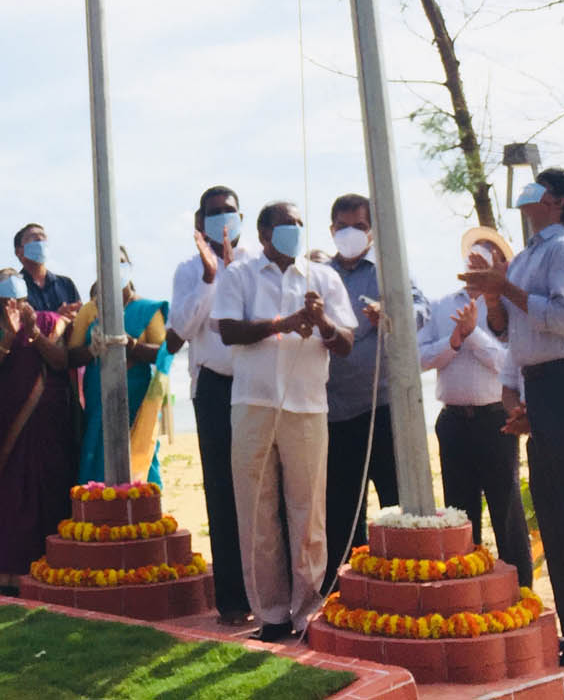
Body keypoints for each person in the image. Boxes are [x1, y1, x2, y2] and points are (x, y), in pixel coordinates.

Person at [462, 167, 564, 666]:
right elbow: (515, 334)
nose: (526, 196)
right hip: (545, 385)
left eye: (538, 189)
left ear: (555, 202)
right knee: (553, 511)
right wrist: (495, 294)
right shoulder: (529, 255)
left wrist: (502, 287)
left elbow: (561, 318)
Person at [214, 200, 355, 643]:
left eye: (299, 222)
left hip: (308, 406)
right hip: (254, 402)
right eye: (284, 224)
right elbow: (229, 330)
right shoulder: (239, 274)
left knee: (308, 509)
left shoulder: (324, 277)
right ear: (263, 233)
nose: (294, 229)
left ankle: (307, 610)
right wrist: (284, 323)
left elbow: (346, 341)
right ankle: (271, 612)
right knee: (256, 510)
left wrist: (321, 321)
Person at [319, 192, 428, 593]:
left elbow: (421, 310)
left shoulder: (388, 269)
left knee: (395, 503)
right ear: (332, 230)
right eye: (343, 227)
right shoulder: (320, 273)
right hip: (332, 409)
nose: (351, 234)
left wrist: (393, 315)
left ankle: (401, 586)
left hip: (382, 406)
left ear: (372, 230)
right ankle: (345, 591)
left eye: (359, 227)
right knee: (342, 510)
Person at [416, 227, 531, 587]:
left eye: (489, 258)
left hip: (494, 418)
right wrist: (453, 340)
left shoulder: (506, 309)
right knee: (459, 513)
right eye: (474, 256)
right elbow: (418, 358)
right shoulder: (441, 306)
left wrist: (474, 334)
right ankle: (467, 588)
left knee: (506, 509)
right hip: (453, 419)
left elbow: (508, 363)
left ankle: (519, 589)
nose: (478, 263)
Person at [166, 183, 253, 625]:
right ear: (201, 224)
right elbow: (175, 334)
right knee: (222, 493)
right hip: (215, 389)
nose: (224, 219)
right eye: (215, 213)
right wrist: (208, 276)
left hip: (259, 387)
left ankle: (271, 595)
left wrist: (234, 271)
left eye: (230, 211)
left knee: (264, 492)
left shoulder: (258, 264)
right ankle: (234, 600)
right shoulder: (188, 270)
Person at [0, 268, 76, 596]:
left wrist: (33, 331)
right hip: (8, 421)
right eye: (5, 292)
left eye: (17, 292)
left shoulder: (48, 321)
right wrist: (9, 336)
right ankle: (11, 571)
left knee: (50, 485)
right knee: (13, 491)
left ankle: (52, 563)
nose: (13, 299)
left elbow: (61, 361)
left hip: (48, 420)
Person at [66, 280, 171, 486]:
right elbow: (71, 356)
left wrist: (132, 346)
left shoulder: (147, 309)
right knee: (96, 448)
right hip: (99, 392)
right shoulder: (90, 310)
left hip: (136, 392)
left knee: (139, 450)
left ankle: (142, 508)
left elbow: (163, 353)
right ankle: (97, 506)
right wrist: (92, 350)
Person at [12, 223, 81, 315]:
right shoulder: (14, 287)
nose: (40, 239)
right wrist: (57, 318)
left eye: (43, 237)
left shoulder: (66, 284)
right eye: (33, 237)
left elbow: (81, 320)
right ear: (18, 251)